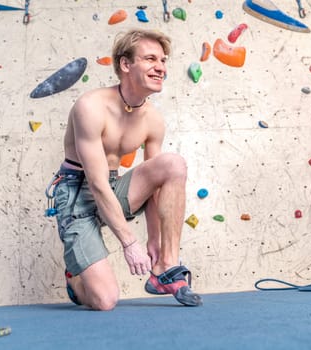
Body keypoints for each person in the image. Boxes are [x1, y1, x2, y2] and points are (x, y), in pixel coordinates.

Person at [46, 29, 202, 310]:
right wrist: (131, 244)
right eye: (151, 59)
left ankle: (166, 267)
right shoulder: (90, 107)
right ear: (125, 64)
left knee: (172, 164)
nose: (161, 68)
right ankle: (75, 279)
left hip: (115, 187)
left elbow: (157, 187)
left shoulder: (153, 120)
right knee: (104, 301)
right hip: (76, 195)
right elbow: (96, 184)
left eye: (163, 61)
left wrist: (154, 239)